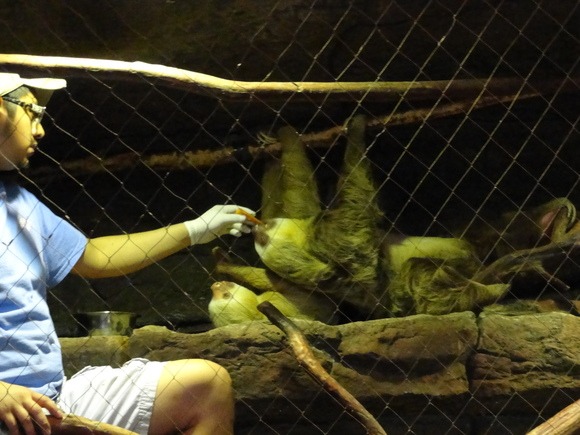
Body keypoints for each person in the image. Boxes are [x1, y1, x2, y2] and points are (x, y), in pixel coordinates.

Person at [0, 73, 255, 435]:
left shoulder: (18, 205)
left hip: (50, 401)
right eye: (33, 111)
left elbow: (94, 256)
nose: (40, 130)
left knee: (205, 386)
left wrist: (194, 230)